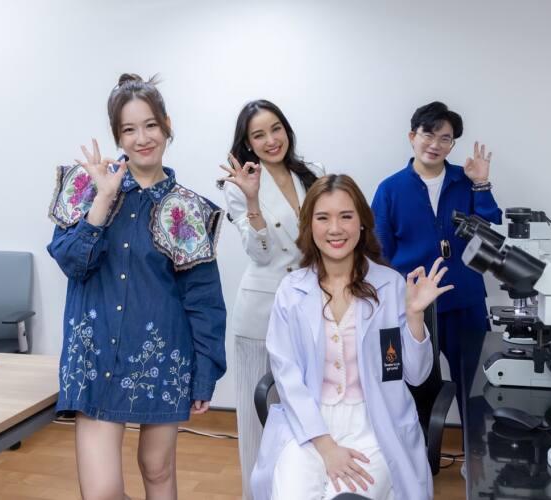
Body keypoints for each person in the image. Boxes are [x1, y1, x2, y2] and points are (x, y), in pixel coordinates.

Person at [47, 73, 227, 499]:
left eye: (150, 125)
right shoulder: (86, 186)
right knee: (102, 493)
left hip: (161, 357)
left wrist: (204, 374)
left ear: (167, 125)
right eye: (129, 129)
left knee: (157, 469)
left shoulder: (186, 208)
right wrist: (102, 201)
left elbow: (203, 299)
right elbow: (71, 262)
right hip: (95, 355)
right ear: (118, 136)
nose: (142, 138)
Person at [251, 174, 452, 500]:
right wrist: (326, 445)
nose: (335, 228)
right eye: (323, 218)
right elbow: (287, 377)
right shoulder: (292, 290)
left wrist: (415, 316)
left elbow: (415, 375)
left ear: (362, 223)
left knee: (348, 496)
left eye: (346, 216)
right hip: (309, 423)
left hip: (374, 424)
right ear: (309, 225)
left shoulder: (389, 285)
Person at [370, 101, 502, 438]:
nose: (435, 144)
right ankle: (415, 454)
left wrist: (481, 184)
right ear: (412, 136)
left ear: (452, 145)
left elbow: (489, 232)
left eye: (445, 138)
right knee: (411, 385)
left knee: (475, 385)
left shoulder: (465, 181)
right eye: (428, 134)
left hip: (464, 300)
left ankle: (475, 454)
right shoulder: (390, 189)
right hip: (412, 306)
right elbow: (379, 252)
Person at [218, 99, 323, 499]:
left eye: (276, 129)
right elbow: (259, 253)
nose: (271, 140)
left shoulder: (313, 173)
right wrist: (251, 200)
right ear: (247, 143)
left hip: (312, 307)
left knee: (308, 410)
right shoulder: (237, 186)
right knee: (258, 418)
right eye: (258, 135)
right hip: (262, 312)